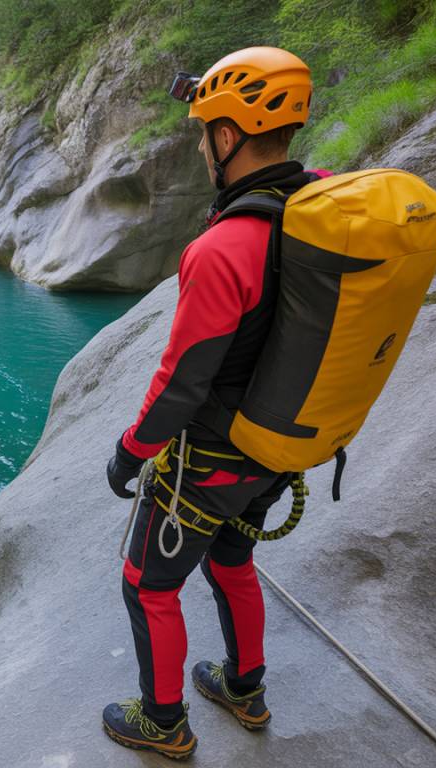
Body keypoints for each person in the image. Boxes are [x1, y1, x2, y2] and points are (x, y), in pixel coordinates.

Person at [100, 46, 327, 759]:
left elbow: (181, 384)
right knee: (232, 562)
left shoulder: (226, 246)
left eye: (204, 133)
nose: (201, 146)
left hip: (214, 456)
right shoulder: (317, 209)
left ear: (227, 137)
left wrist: (128, 454)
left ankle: (163, 724)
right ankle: (244, 687)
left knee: (148, 583)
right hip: (276, 447)